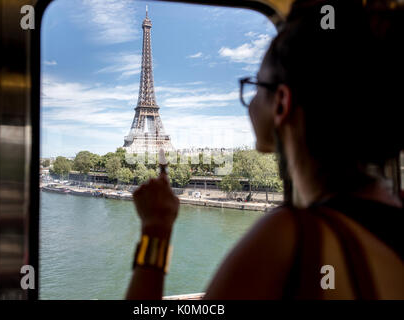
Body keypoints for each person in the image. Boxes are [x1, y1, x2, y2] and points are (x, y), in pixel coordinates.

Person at [125, 0, 403, 300]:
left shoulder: (288, 236)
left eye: (256, 85)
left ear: (281, 103)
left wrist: (156, 229)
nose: (250, 99)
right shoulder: (395, 211)